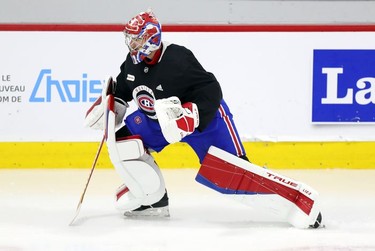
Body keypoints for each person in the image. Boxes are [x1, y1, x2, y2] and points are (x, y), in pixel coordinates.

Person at [85, 10, 323, 228]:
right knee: (124, 143)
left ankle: (299, 204)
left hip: (205, 123)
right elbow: (125, 89)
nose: (132, 44)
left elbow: (211, 90)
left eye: (137, 39)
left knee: (232, 176)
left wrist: (192, 116)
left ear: (151, 38)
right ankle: (152, 201)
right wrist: (111, 105)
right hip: (157, 122)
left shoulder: (178, 59)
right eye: (131, 38)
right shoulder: (132, 63)